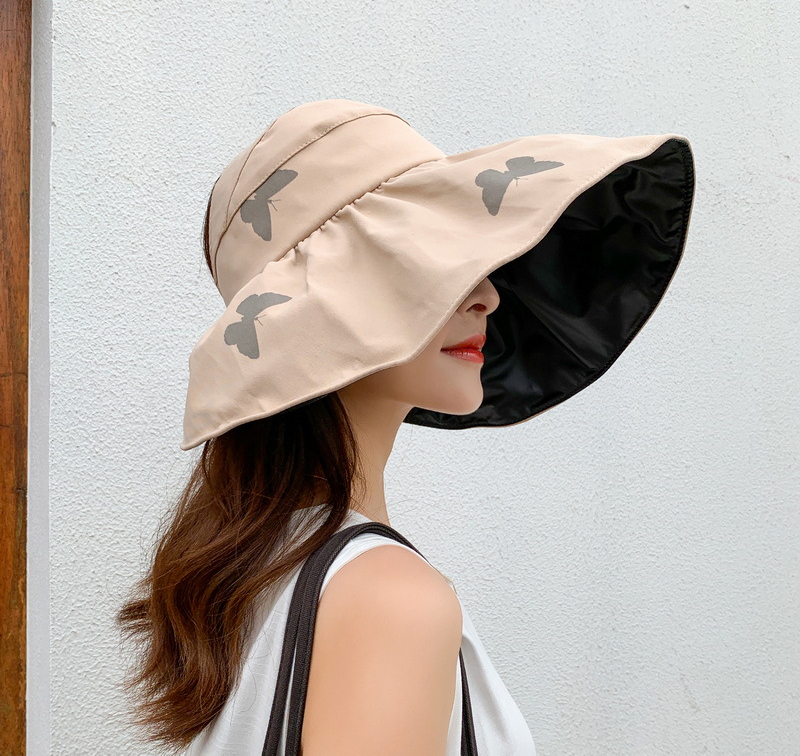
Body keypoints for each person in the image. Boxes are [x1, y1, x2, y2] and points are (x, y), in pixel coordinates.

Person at [117, 99, 695, 756]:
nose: (488, 295)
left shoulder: (260, 580)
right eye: (432, 261)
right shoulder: (388, 600)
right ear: (328, 308)